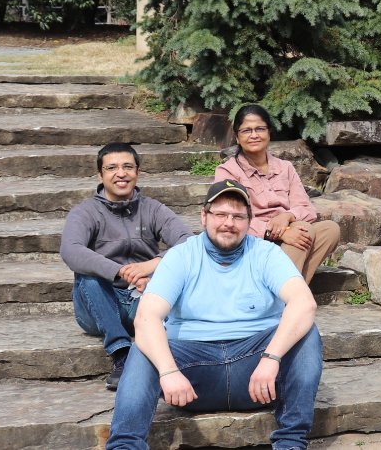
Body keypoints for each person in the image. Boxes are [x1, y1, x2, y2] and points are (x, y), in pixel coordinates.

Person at [107, 180, 323, 450]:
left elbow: (304, 303)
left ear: (249, 221)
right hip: (192, 372)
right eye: (220, 214)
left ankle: (290, 442)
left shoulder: (266, 254)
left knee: (306, 331)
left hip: (257, 370)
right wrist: (168, 370)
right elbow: (146, 317)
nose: (228, 223)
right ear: (204, 216)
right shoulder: (181, 257)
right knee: (144, 345)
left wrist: (272, 357)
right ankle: (125, 445)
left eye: (237, 216)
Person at [61, 142, 193, 390]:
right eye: (111, 168)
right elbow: (71, 250)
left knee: (178, 278)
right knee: (87, 274)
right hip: (99, 304)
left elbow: (189, 242)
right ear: (100, 175)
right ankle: (121, 354)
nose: (120, 173)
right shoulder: (85, 212)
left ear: (137, 172)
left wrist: (154, 266)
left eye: (127, 167)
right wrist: (120, 271)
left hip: (142, 300)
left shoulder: (152, 209)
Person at [215, 104, 342, 284]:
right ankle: (288, 294)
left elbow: (307, 209)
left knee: (330, 229)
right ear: (237, 137)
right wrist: (276, 232)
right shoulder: (227, 172)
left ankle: (286, 291)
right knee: (301, 231)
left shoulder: (285, 168)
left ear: (269, 132)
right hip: (252, 241)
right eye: (246, 131)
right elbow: (230, 219)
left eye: (260, 129)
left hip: (290, 238)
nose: (254, 135)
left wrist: (287, 216)